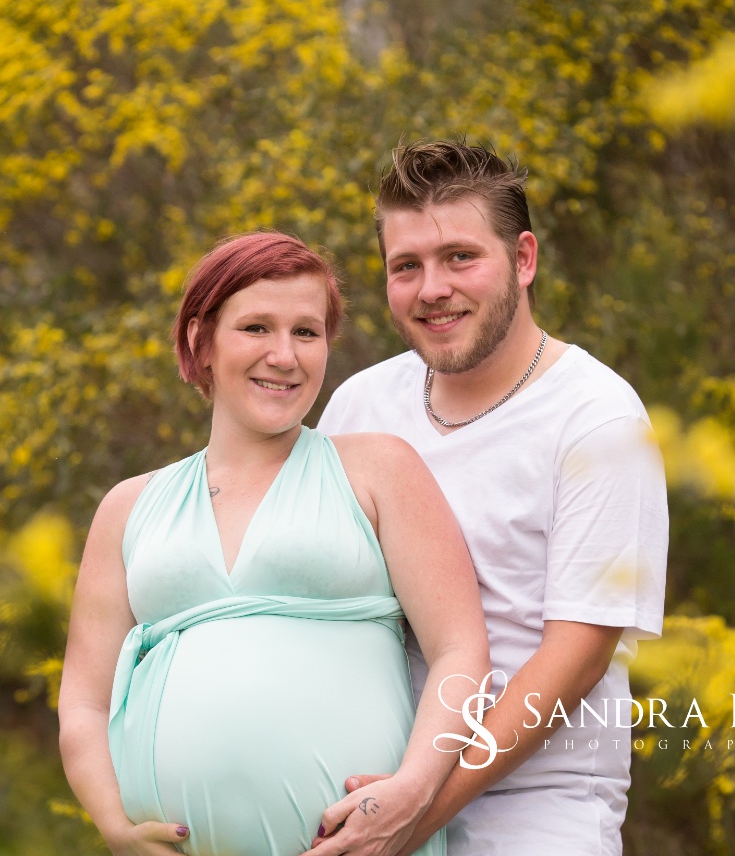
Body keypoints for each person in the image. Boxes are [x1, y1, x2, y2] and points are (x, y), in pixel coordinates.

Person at [57, 231, 490, 856]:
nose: (284, 356)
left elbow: (460, 651)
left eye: (306, 333)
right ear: (198, 341)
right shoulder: (128, 507)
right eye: (256, 328)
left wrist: (415, 791)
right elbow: (84, 704)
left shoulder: (377, 470)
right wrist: (115, 828)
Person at [316, 140, 669, 856]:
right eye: (405, 266)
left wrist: (419, 807)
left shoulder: (598, 418)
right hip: (364, 795)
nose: (431, 288)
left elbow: (576, 656)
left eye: (459, 257)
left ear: (524, 259)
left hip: (533, 806)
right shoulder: (359, 404)